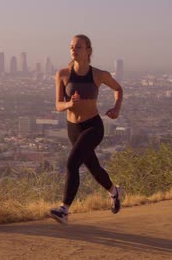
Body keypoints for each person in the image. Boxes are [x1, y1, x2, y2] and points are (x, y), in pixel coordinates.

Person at [49, 34, 124, 224]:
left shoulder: (99, 74)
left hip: (93, 126)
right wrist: (69, 104)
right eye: (71, 47)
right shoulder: (63, 74)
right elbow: (58, 105)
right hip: (73, 127)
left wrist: (116, 108)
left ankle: (64, 210)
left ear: (88, 51)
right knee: (93, 167)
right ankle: (115, 192)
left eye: (78, 47)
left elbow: (118, 89)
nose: (74, 49)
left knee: (72, 163)